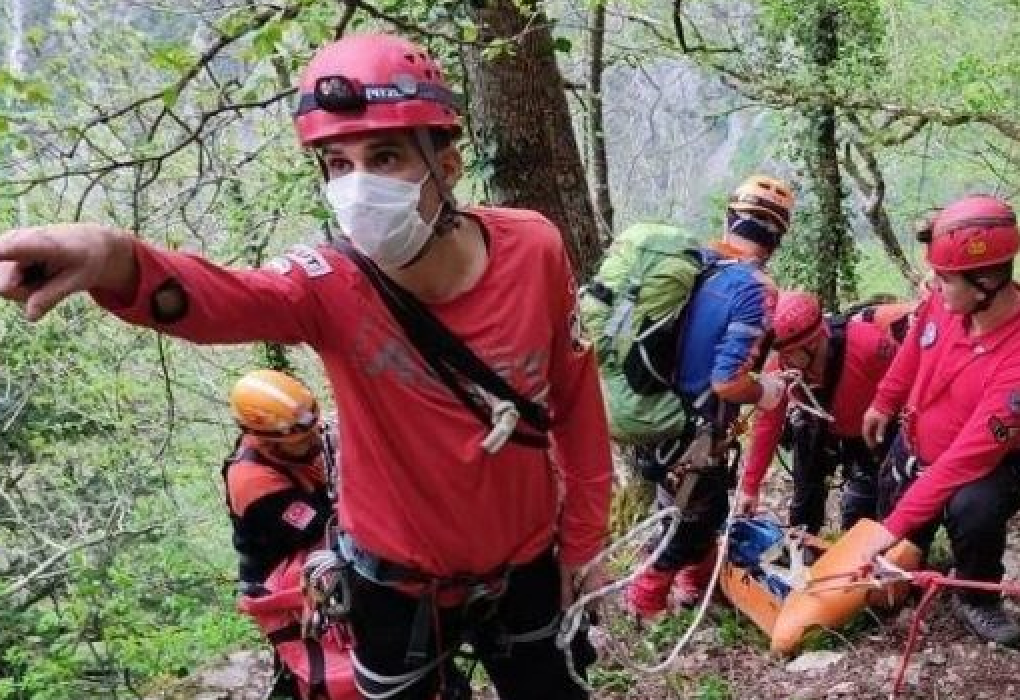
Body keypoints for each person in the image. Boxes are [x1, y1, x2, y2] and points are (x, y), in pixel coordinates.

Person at [0, 33, 611, 700]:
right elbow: (224, 299)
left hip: (525, 566)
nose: (359, 188)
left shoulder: (535, 248)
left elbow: (576, 401)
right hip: (394, 585)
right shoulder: (329, 284)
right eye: (337, 164)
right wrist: (115, 257)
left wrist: (582, 541)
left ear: (450, 162)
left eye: (385, 157)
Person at [857, 195, 1020, 648]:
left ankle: (977, 596)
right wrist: (884, 402)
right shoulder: (948, 305)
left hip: (978, 468)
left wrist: (891, 527)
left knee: (974, 508)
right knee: (900, 540)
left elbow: (966, 460)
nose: (934, 285)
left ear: (985, 281)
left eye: (945, 278)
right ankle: (907, 567)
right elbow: (914, 348)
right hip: (913, 445)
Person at [624, 175, 794, 619]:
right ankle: (646, 595)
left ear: (730, 219)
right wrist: (767, 391)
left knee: (683, 508)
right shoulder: (755, 289)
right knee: (701, 516)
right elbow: (727, 381)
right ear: (777, 238)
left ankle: (693, 587)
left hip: (652, 409)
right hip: (697, 427)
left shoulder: (695, 263)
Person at [737, 290, 900, 539]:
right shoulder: (782, 369)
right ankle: (803, 552)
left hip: (872, 431)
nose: (784, 361)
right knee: (804, 507)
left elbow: (907, 381)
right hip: (818, 428)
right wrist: (750, 487)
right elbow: (767, 425)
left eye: (789, 353)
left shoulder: (868, 345)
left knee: (865, 508)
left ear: (813, 342)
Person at [224, 369, 332, 595]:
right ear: (269, 442)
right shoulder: (257, 486)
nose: (315, 440)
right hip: (283, 578)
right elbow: (320, 525)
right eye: (303, 440)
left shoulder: (282, 441)